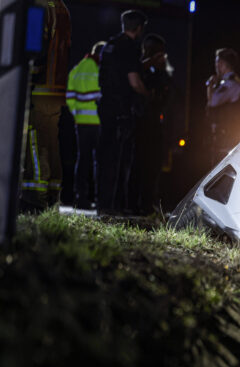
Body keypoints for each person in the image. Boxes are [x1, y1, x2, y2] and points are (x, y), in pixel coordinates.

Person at [97, 10, 149, 215]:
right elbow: (134, 82)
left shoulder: (110, 45)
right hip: (121, 109)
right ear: (138, 28)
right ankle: (113, 206)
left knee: (103, 156)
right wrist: (147, 94)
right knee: (119, 159)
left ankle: (102, 203)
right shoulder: (129, 48)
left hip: (106, 106)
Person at [20, 0, 71, 212]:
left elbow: (33, 46)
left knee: (36, 140)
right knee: (51, 142)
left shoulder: (38, 4)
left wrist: (26, 76)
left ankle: (34, 198)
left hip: (39, 86)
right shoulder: (61, 8)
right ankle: (52, 197)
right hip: (55, 88)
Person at [135, 34, 172, 214]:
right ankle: (136, 203)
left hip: (155, 125)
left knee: (153, 166)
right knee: (139, 165)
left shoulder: (161, 73)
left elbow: (166, 95)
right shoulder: (139, 69)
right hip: (140, 124)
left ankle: (147, 203)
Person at [66, 40, 105, 209]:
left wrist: (77, 114)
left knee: (83, 160)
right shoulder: (99, 69)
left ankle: (80, 197)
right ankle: (100, 198)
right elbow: (103, 94)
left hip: (81, 122)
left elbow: (70, 96)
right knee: (100, 162)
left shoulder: (77, 69)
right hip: (98, 122)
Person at [206, 48, 240, 164]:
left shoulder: (231, 83)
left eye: (217, 62)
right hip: (223, 138)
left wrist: (210, 84)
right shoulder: (226, 82)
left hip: (228, 139)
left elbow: (212, 102)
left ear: (222, 63)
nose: (216, 65)